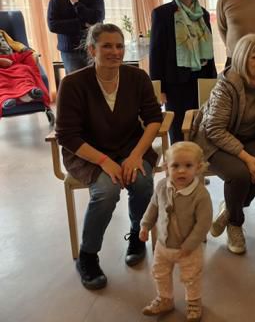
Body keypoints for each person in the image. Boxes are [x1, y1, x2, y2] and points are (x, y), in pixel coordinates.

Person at [55, 23, 163, 290]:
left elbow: (154, 119)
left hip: (129, 146)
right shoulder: (72, 83)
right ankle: (88, 256)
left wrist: (136, 155)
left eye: (119, 46)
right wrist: (104, 161)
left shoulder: (137, 77)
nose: (115, 52)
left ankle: (137, 236)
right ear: (92, 50)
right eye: (107, 46)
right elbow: (67, 135)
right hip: (88, 152)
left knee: (142, 182)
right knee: (106, 191)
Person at [190, 34, 255, 254]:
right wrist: (246, 158)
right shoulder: (227, 85)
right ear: (243, 59)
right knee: (240, 174)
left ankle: (230, 210)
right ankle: (235, 223)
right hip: (216, 142)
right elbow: (214, 130)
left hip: (251, 137)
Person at [140, 142, 213, 322]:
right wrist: (145, 225)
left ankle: (194, 302)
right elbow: (153, 206)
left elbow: (203, 223)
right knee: (159, 273)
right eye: (175, 166)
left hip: (188, 248)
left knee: (191, 276)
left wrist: (190, 244)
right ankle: (165, 298)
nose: (181, 171)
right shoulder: (161, 187)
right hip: (163, 245)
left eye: (188, 166)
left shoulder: (200, 195)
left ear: (198, 168)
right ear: (166, 167)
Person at [150, 0, 216, 143]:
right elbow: (156, 53)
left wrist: (212, 80)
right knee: (178, 129)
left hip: (201, 78)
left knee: (201, 125)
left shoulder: (202, 13)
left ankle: (198, 158)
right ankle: (179, 158)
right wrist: (159, 89)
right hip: (175, 82)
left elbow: (209, 48)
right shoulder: (162, 14)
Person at [47, 0, 105, 73]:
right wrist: (83, 24)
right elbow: (53, 25)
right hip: (70, 51)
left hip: (94, 47)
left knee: (98, 79)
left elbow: (97, 20)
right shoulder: (56, 0)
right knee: (76, 81)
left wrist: (76, 3)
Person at [0, 29, 49, 114]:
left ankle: (28, 93)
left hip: (12, 60)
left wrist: (25, 49)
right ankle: (5, 99)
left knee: (24, 70)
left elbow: (13, 43)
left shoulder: (1, 32)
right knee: (2, 80)